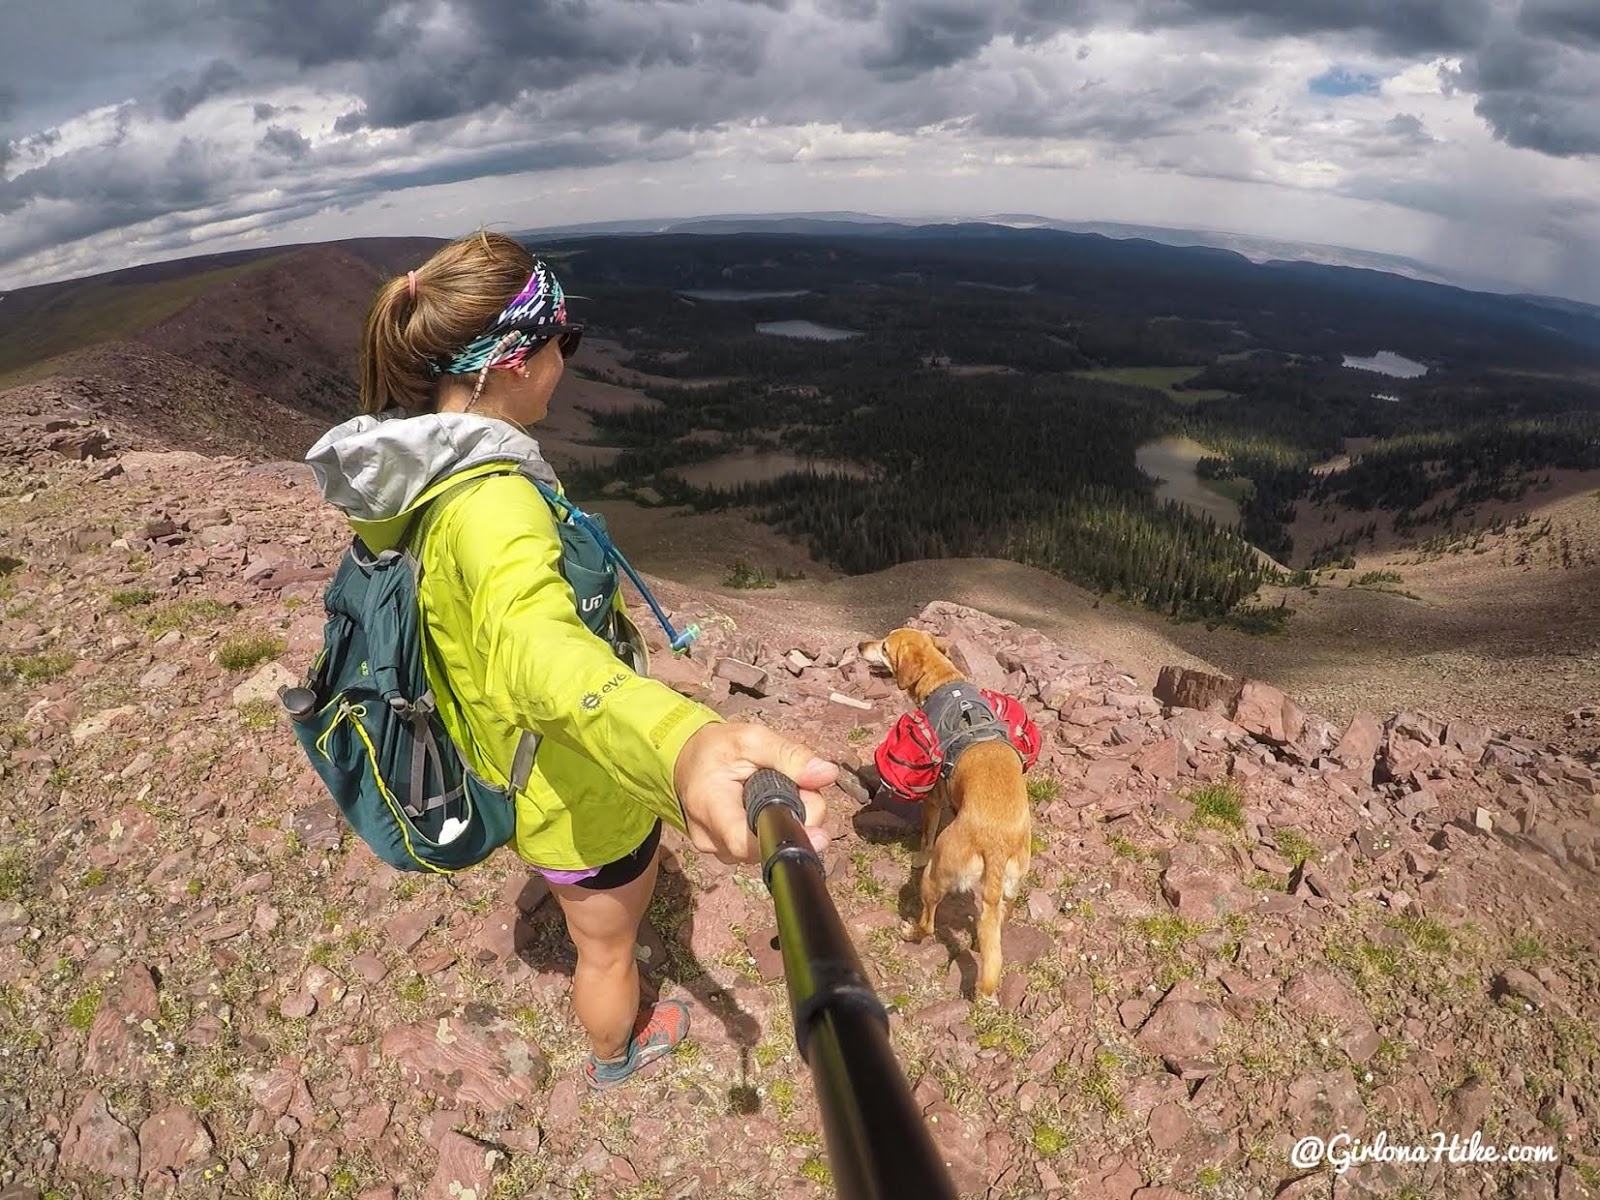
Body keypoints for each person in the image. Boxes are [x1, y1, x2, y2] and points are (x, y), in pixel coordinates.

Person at [305, 230, 837, 1090]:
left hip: (523, 774)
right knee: (606, 947)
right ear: (511, 361)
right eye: (565, 340)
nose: (568, 358)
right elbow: (535, 652)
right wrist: (680, 745)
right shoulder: (494, 506)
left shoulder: (436, 477)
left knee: (595, 923)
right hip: (581, 794)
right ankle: (614, 1054)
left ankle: (604, 1004)